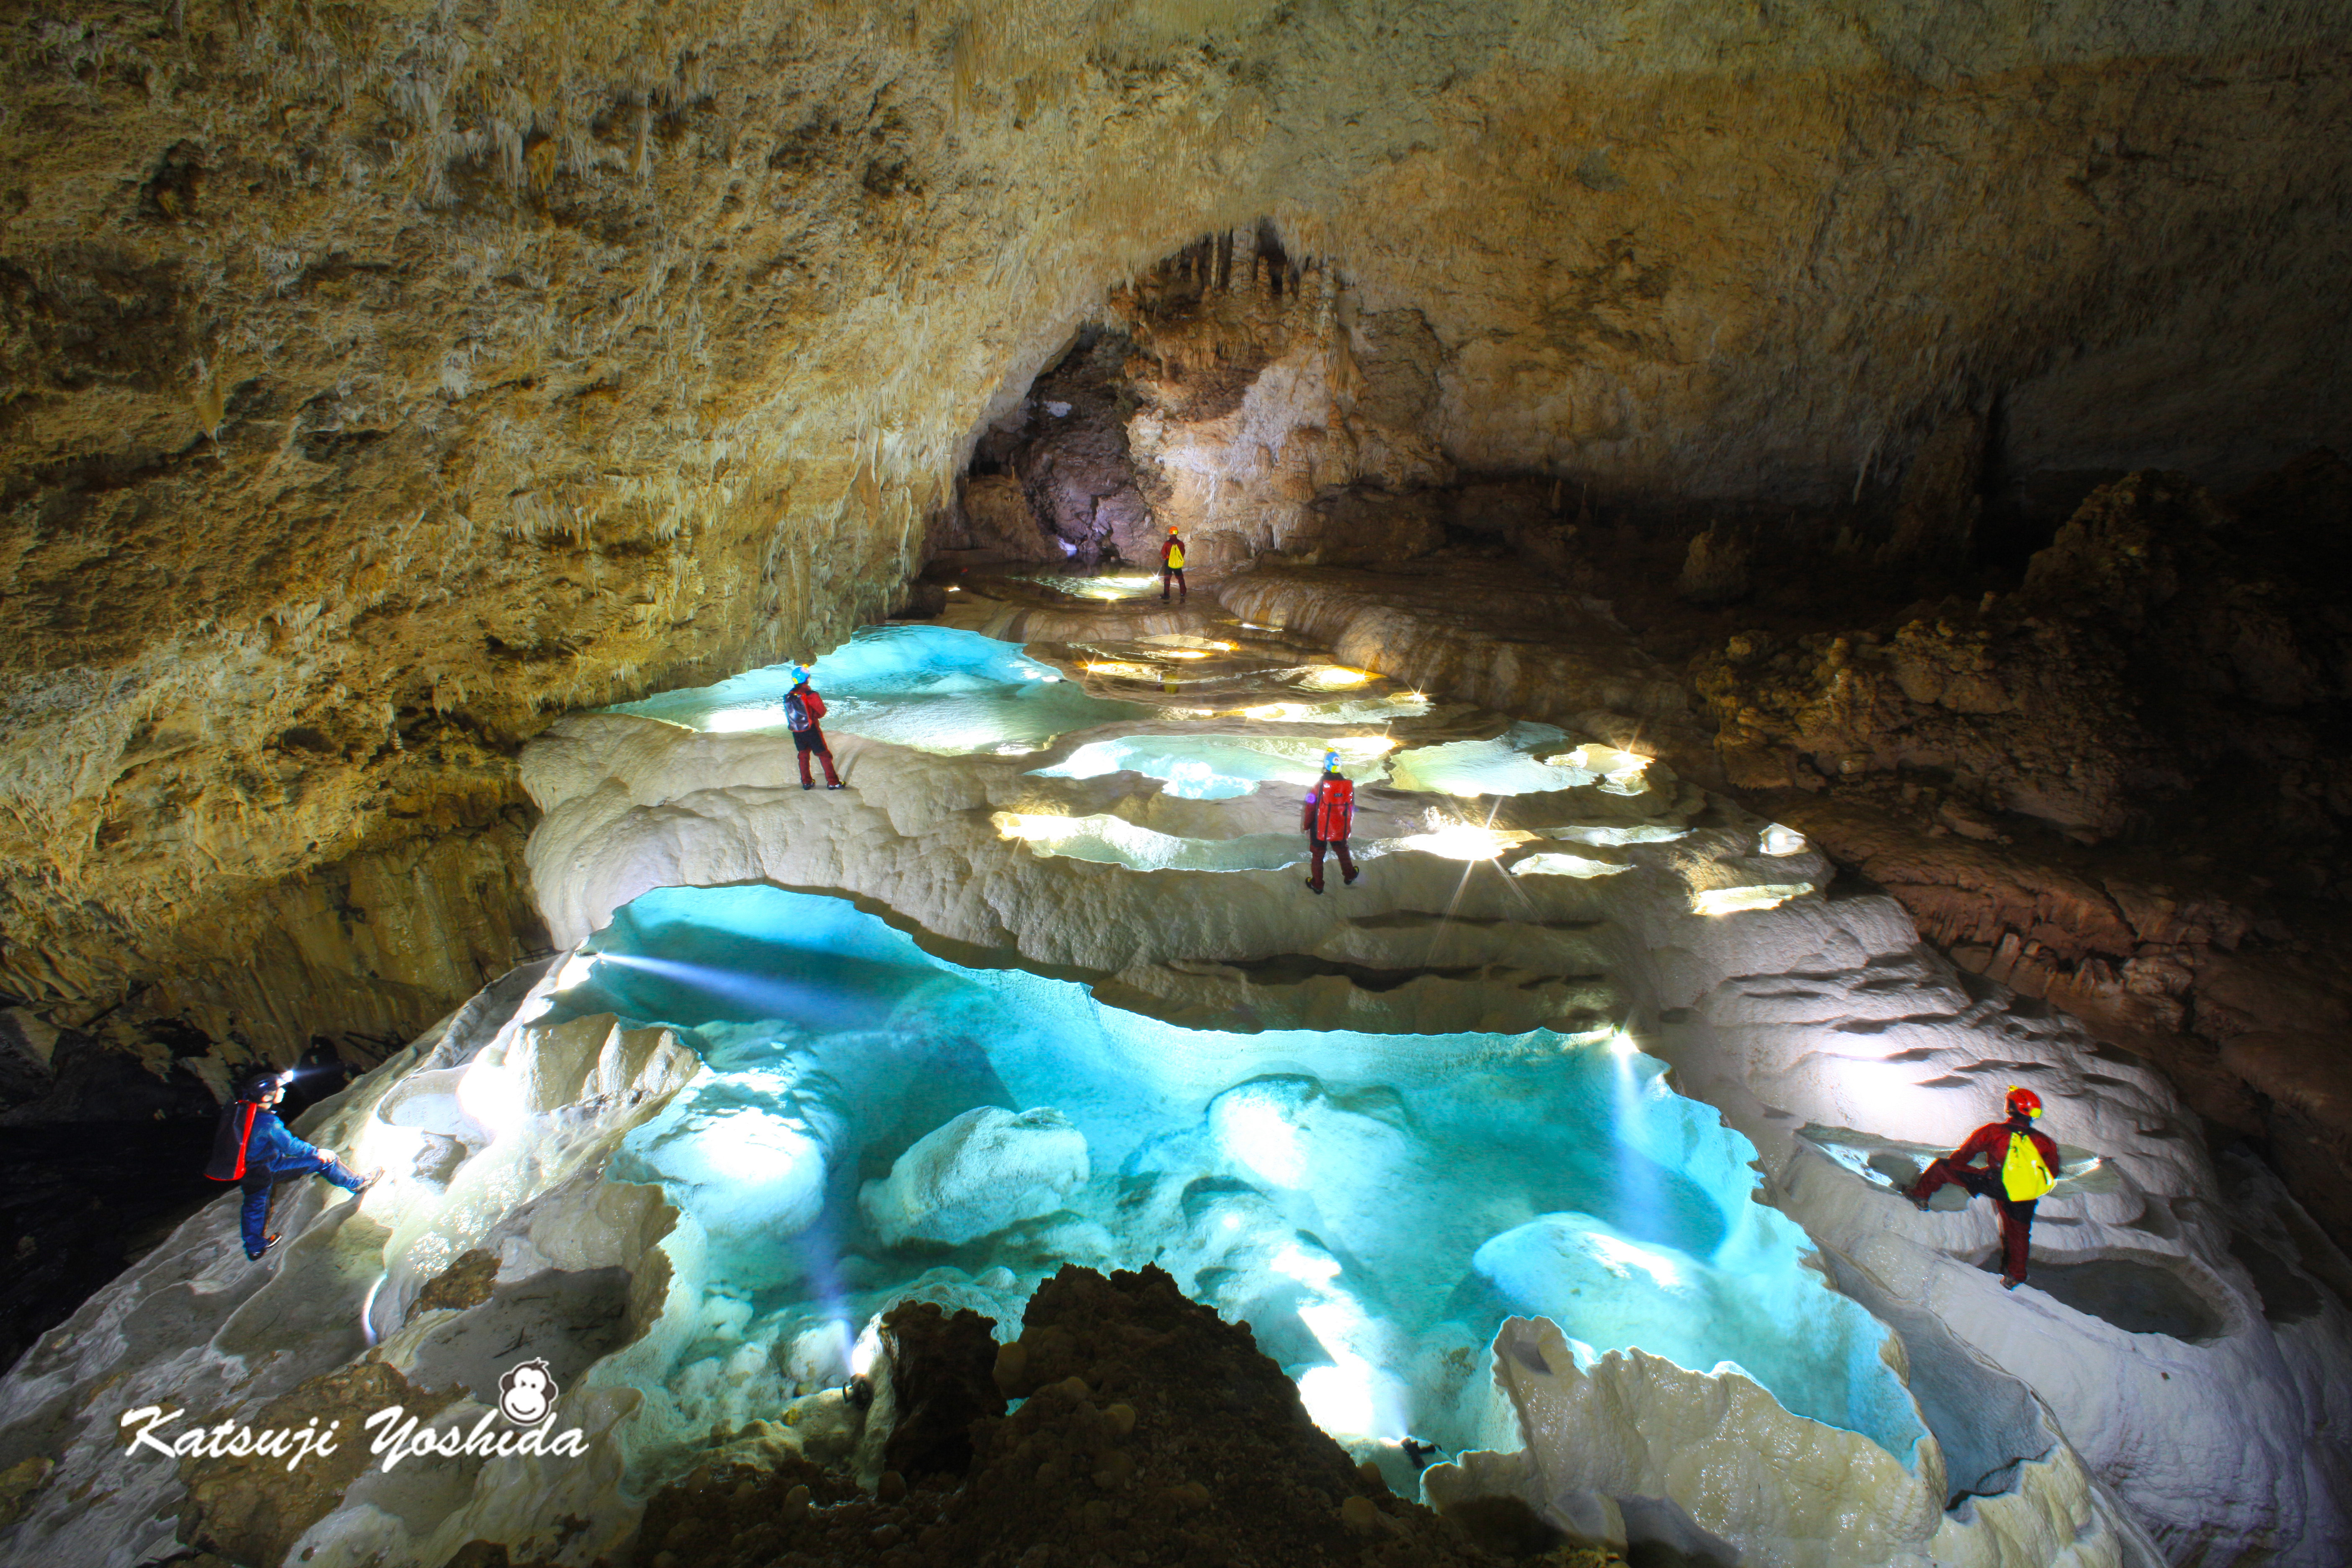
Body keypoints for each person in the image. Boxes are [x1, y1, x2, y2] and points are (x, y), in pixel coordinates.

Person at [204, 1068, 379, 1261]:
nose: (284, 1091)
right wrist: (317, 1153)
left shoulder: (244, 1108)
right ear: (267, 1096)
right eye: (280, 1089)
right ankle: (357, 1183)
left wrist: (281, 1079)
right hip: (268, 1167)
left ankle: (255, 1248)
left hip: (249, 1169)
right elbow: (291, 1146)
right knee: (326, 1161)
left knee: (254, 1206)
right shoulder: (268, 1122)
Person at [1908, 1086, 2060, 1289]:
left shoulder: (1994, 1132)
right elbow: (2053, 1171)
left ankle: (1920, 1197)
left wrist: (1979, 1171)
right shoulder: (2045, 1142)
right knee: (2019, 1233)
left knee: (1942, 1168)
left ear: (2011, 1108)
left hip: (1996, 1184)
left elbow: (1964, 1156)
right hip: (2026, 1194)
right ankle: (2015, 1276)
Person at [1301, 749, 1359, 895]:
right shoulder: (1347, 785)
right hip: (1339, 825)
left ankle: (1318, 885)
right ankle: (1350, 875)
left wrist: (1307, 826)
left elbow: (1310, 807)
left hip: (1319, 827)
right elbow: (1351, 809)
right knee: (1342, 849)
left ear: (1325, 765)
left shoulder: (1317, 786)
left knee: (1318, 855)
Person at [785, 664, 843, 790]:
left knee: (803, 755)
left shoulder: (790, 695)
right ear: (808, 679)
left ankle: (807, 782)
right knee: (824, 755)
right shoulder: (811, 694)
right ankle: (833, 782)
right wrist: (812, 717)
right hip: (811, 730)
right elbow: (822, 712)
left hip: (797, 730)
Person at [1160, 525, 1187, 602]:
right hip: (1177, 562)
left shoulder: (1167, 543)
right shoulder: (1181, 543)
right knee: (1180, 577)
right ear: (1177, 533)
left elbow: (1163, 553)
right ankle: (1183, 592)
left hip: (1169, 562)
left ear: (1170, 533)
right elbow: (1183, 553)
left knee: (1167, 578)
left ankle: (1167, 595)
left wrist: (1166, 557)